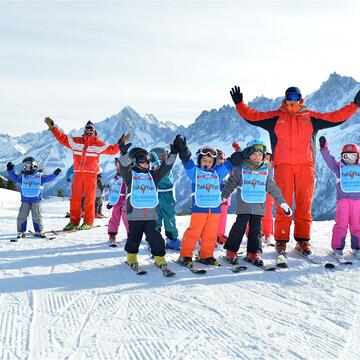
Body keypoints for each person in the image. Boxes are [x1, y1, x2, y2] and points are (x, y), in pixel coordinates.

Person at [230, 85, 360, 255]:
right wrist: (240, 104)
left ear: (300, 98)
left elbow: (335, 117)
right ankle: (281, 240)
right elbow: (253, 116)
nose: (293, 99)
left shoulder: (310, 117)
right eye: (290, 96)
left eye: (296, 96)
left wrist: (355, 105)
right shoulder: (276, 117)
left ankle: (302, 240)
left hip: (305, 166)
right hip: (283, 166)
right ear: (285, 98)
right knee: (283, 202)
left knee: (304, 204)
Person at [174, 135, 243, 268]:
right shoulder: (195, 172)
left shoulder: (217, 173)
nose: (207, 162)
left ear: (214, 163)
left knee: (210, 234)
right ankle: (185, 255)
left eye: (210, 161)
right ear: (200, 160)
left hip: (215, 208)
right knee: (194, 232)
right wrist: (184, 151)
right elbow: (187, 162)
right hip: (200, 208)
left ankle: (206, 255)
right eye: (204, 160)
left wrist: (239, 155)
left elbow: (229, 164)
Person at [221, 140, 292, 265]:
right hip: (244, 205)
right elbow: (231, 182)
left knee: (256, 231)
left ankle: (253, 252)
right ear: (248, 154)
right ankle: (231, 250)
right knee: (239, 228)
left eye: (260, 154)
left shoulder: (265, 171)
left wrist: (282, 203)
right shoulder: (240, 168)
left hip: (259, 206)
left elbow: (272, 188)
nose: (257, 157)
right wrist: (224, 196)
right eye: (254, 154)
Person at [44, 117, 122, 230]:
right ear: (84, 130)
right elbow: (62, 138)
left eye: (91, 129)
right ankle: (74, 222)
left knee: (90, 199)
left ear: (94, 131)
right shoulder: (76, 141)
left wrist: (120, 143)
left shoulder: (98, 144)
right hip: (78, 174)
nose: (89, 130)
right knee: (75, 199)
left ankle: (88, 222)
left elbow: (112, 150)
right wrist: (53, 128)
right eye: (87, 128)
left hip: (91, 175)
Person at [117, 135, 178, 271]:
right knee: (134, 237)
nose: (146, 162)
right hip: (135, 215)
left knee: (155, 238)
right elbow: (123, 168)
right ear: (134, 161)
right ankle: (131, 257)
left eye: (147, 159)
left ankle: (159, 258)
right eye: (142, 160)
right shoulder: (131, 176)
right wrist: (123, 154)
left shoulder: (152, 176)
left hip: (151, 215)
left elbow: (165, 167)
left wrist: (173, 153)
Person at [319, 136, 360, 258]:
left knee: (357, 224)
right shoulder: (339, 168)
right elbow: (329, 160)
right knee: (341, 224)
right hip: (343, 201)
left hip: (358, 202)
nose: (348, 159)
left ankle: (357, 247)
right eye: (345, 156)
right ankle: (337, 248)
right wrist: (324, 149)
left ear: (357, 156)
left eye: (352, 156)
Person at [6, 157, 61, 238]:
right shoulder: (23, 177)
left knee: (37, 217)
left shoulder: (40, 178)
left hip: (36, 201)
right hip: (25, 201)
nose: (25, 167)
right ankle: (21, 231)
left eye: (27, 165)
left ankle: (39, 231)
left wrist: (55, 174)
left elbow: (49, 178)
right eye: (24, 165)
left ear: (34, 166)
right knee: (22, 216)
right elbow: (14, 177)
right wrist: (10, 170)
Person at [149, 147, 180, 250]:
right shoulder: (156, 168)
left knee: (168, 217)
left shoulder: (164, 167)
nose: (165, 157)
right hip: (161, 195)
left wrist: (155, 164)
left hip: (164, 195)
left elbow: (163, 176)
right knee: (159, 218)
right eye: (164, 155)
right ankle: (155, 240)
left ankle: (171, 239)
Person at [107, 158, 129, 246]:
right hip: (116, 201)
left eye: (119, 164)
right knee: (114, 218)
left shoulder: (127, 176)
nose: (117, 167)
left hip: (125, 202)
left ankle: (131, 235)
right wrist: (110, 202)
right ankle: (112, 235)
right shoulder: (116, 178)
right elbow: (114, 191)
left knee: (127, 219)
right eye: (116, 165)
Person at [216, 149, 231, 245]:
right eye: (219, 158)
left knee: (223, 218)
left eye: (223, 158)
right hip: (214, 198)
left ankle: (220, 234)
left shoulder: (227, 169)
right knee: (213, 218)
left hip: (225, 197)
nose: (221, 160)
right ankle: (210, 236)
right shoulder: (212, 169)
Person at [262, 150, 275, 245]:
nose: (266, 160)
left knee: (268, 214)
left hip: (268, 193)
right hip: (257, 193)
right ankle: (251, 232)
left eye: (268, 158)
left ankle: (268, 233)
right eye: (264, 158)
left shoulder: (271, 168)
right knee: (254, 214)